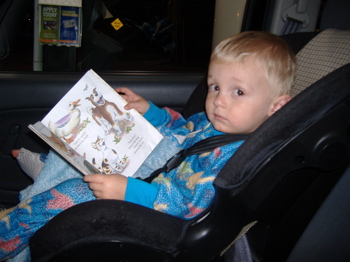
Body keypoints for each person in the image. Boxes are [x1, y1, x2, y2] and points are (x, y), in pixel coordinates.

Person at [0, 31, 296, 260]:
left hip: (157, 206)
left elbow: (192, 205)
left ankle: (8, 236)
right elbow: (184, 128)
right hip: (154, 173)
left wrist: (127, 190)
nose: (219, 100)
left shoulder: (237, 156)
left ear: (276, 107)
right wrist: (150, 111)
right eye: (215, 86)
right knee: (78, 147)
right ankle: (50, 171)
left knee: (75, 191)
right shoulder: (216, 123)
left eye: (239, 91)